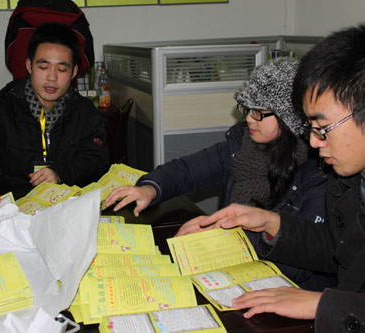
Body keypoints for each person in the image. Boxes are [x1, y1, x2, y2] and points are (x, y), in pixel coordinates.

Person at [188, 24, 365, 332]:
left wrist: (326, 305)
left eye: (322, 128)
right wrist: (271, 223)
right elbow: (338, 247)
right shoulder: (348, 178)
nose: (313, 142)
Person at [106, 57, 335, 291]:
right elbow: (186, 171)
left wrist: (223, 238)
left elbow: (303, 259)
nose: (248, 118)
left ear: (290, 117)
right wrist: (150, 188)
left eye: (259, 112)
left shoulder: (321, 170)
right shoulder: (241, 145)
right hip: (234, 272)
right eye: (247, 109)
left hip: (292, 289)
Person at [0, 22, 109, 208]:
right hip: (13, 211)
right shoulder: (0, 113)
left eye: (62, 69)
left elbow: (97, 159)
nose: (52, 77)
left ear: (74, 72)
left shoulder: (85, 112)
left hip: (67, 209)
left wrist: (61, 172)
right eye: (43, 67)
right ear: (29, 65)